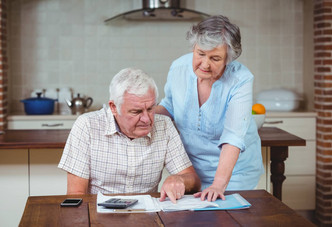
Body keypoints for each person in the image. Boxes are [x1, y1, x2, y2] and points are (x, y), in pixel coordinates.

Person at [155, 15, 264, 202]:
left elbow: (233, 137)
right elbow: (169, 106)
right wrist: (142, 113)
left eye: (215, 58)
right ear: (193, 47)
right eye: (200, 54)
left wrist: (218, 185)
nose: (205, 64)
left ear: (228, 59)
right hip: (192, 171)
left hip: (234, 174)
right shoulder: (178, 68)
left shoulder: (241, 80)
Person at [58, 68, 201, 203]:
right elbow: (76, 195)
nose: (147, 119)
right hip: (98, 217)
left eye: (151, 108)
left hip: (146, 217)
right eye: (136, 112)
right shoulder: (87, 126)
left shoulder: (164, 126)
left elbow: (193, 180)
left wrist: (180, 180)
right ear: (114, 107)